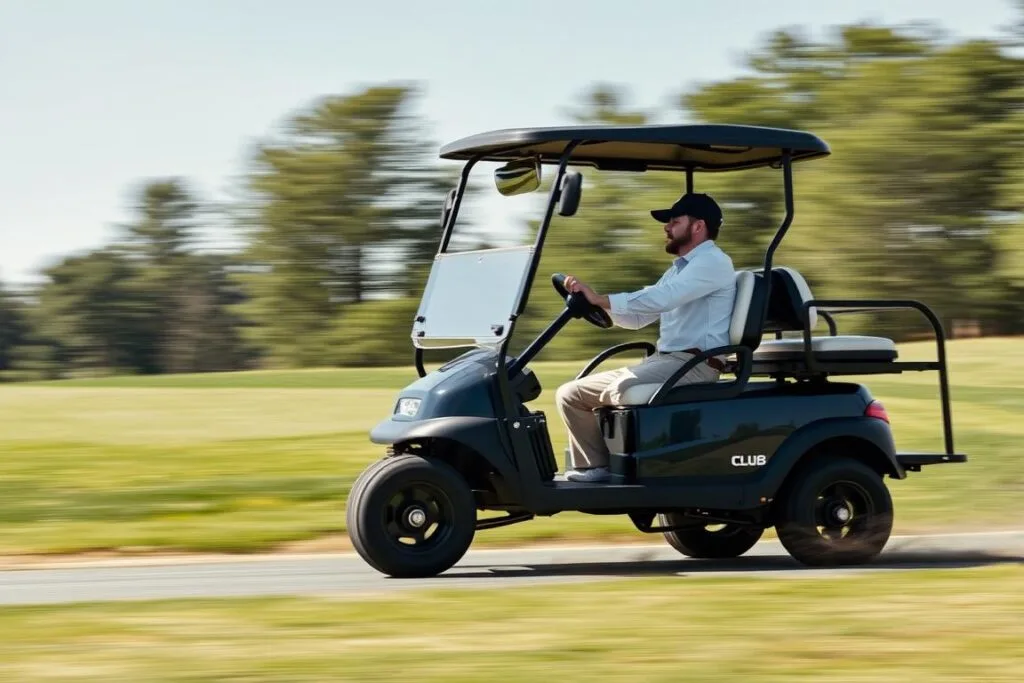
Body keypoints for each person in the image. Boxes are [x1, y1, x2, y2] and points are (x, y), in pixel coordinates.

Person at [555, 192, 737, 483]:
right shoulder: (680, 269)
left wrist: (603, 298)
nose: (666, 228)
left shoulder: (713, 263)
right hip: (667, 362)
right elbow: (640, 317)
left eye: (674, 221)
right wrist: (598, 304)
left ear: (698, 226)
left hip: (695, 364)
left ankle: (628, 471)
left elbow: (662, 299)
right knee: (570, 394)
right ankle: (596, 468)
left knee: (620, 389)